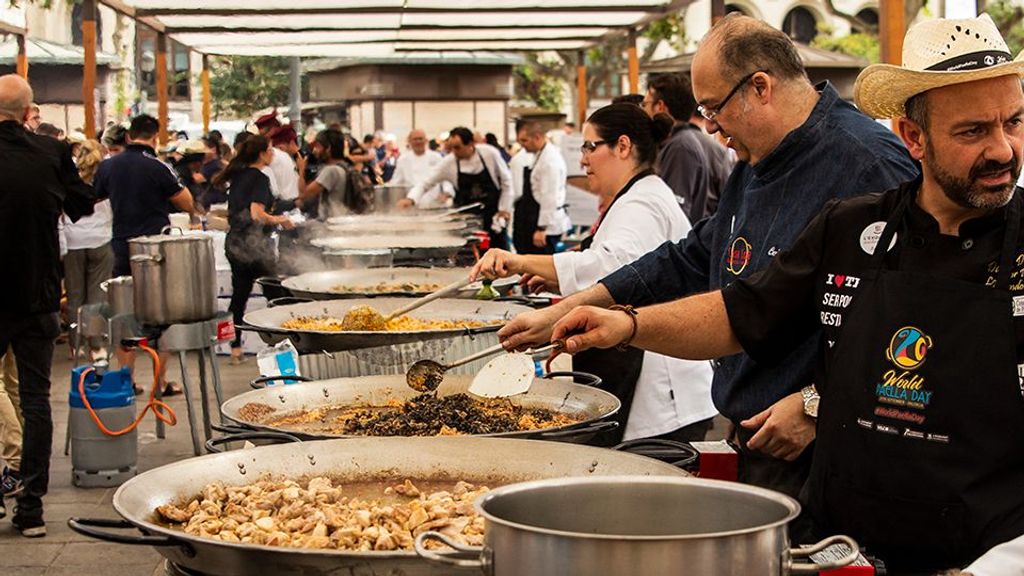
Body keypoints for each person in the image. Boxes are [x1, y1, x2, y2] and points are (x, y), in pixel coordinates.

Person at [541, 13, 1024, 573]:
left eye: (1013, 123)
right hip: (840, 544)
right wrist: (626, 323)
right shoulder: (850, 227)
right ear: (913, 138)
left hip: (987, 553)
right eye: (972, 131)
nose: (1004, 150)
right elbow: (740, 312)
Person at [496, 14, 919, 512]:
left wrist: (817, 403)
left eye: (714, 108)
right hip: (760, 439)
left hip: (833, 452)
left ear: (760, 87)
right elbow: (690, 256)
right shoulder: (756, 161)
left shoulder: (868, 163)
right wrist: (572, 306)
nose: (711, 128)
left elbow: (909, 319)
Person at [474, 103, 716, 445]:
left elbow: (613, 268)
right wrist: (556, 276)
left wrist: (519, 261)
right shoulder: (636, 195)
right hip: (652, 383)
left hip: (664, 396)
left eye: (590, 147)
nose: (583, 159)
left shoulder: (642, 202)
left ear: (622, 146)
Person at [0, 73, 95, 537]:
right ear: (27, 112)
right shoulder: (52, 152)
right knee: (36, 400)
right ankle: (30, 510)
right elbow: (83, 205)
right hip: (36, 295)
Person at [215, 135, 295, 364]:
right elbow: (256, 214)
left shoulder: (238, 176)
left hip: (234, 243)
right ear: (261, 154)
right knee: (274, 294)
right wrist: (281, 219)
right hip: (255, 246)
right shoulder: (259, 178)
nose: (272, 154)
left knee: (239, 296)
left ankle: (235, 347)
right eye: (269, 150)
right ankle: (283, 346)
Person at [398, 126, 514, 250]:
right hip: (467, 219)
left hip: (494, 215)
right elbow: (425, 183)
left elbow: (506, 181)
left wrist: (504, 208)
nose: (454, 151)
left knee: (500, 252)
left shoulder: (489, 153)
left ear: (470, 144)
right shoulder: (449, 162)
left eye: (457, 147)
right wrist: (411, 199)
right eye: (451, 147)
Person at [62, 139, 114, 356]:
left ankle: (76, 345)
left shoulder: (67, 177)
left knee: (74, 295)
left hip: (73, 241)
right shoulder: (106, 177)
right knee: (96, 296)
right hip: (100, 239)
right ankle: (96, 345)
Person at [642, 73, 713, 223]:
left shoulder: (681, 148)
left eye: (645, 105)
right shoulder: (675, 143)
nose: (643, 111)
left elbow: (674, 214)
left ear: (660, 107)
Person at [511, 120, 571, 255]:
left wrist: (542, 228)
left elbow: (550, 196)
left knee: (540, 270)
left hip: (545, 225)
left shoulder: (550, 161)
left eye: (524, 140)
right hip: (534, 216)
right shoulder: (540, 154)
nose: (522, 145)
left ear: (537, 137)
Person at [388, 129, 453, 209]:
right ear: (409, 141)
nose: (418, 142)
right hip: (412, 205)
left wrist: (447, 193)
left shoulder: (436, 157)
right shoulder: (403, 159)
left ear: (426, 141)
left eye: (420, 139)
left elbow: (445, 178)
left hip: (434, 204)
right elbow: (396, 182)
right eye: (415, 139)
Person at [266, 123, 306, 205]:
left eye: (279, 148)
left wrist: (302, 170)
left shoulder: (305, 158)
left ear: (291, 143)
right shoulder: (292, 158)